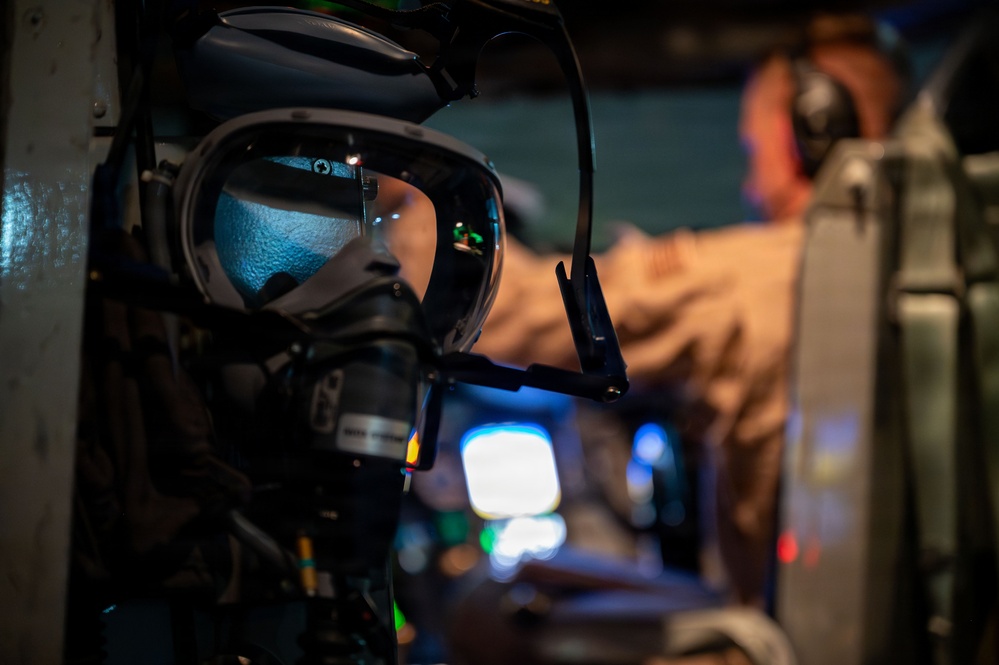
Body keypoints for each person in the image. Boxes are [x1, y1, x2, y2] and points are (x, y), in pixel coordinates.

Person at [466, 12, 907, 607]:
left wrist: (411, 193)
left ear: (809, 131)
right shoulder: (919, 263)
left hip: (774, 629)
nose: (750, 187)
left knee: (492, 602)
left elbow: (511, 317)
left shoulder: (759, 272)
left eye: (754, 150)